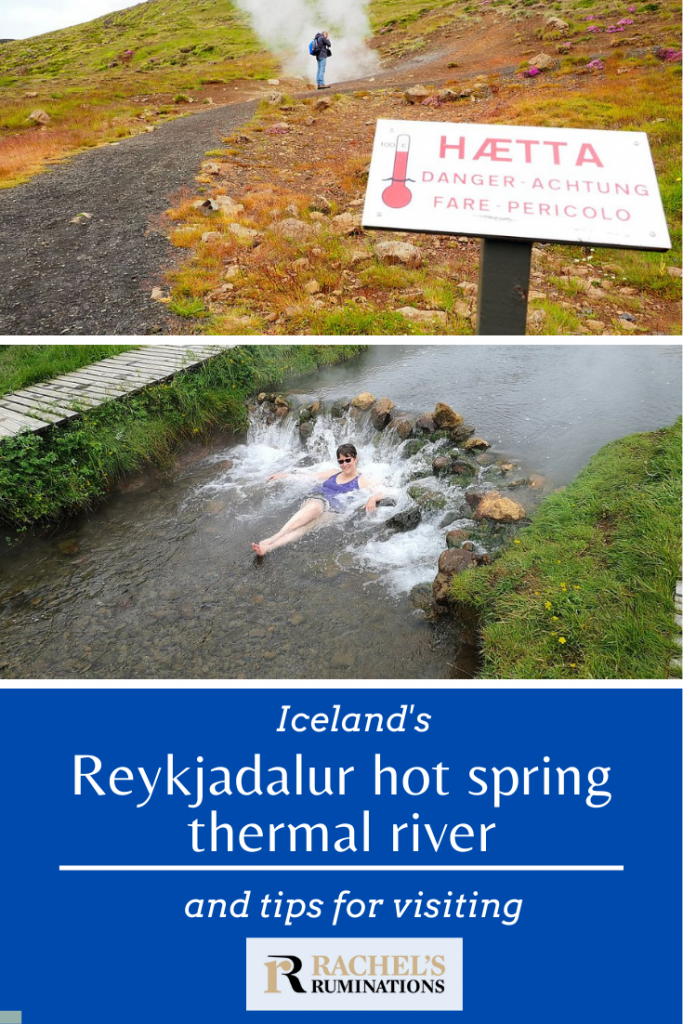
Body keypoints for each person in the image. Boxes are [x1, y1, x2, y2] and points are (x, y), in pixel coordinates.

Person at [251, 443, 386, 556]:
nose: (344, 464)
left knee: (307, 527)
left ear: (355, 459)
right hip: (316, 500)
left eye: (347, 460)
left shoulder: (363, 480)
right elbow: (309, 477)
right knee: (315, 507)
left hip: (334, 511)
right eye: (341, 461)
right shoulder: (333, 473)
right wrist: (284, 476)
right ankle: (274, 537)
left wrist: (372, 498)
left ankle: (268, 548)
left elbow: (387, 491)